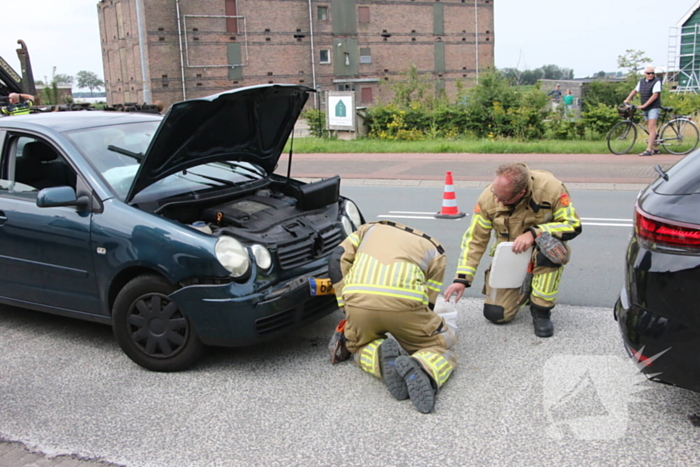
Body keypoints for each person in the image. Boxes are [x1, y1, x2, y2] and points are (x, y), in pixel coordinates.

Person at [329, 220, 457, 414]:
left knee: (359, 345)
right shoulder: (435, 248)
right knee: (440, 346)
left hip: (358, 300)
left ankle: (377, 356)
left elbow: (336, 259)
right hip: (405, 304)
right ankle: (423, 366)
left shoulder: (367, 230)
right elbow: (429, 301)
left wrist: (345, 304)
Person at [444, 163, 582, 338]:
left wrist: (534, 233)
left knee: (549, 254)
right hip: (510, 255)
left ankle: (541, 311)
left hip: (542, 248)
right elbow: (475, 240)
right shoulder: (489, 197)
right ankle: (524, 291)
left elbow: (573, 225)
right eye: (496, 194)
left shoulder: (551, 188)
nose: (498, 200)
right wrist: (462, 279)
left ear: (521, 193)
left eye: (504, 199)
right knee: (496, 314)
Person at [624, 66, 662, 156]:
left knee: (652, 127)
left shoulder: (657, 82)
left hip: (653, 107)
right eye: (649, 73)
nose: (651, 75)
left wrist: (644, 105)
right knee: (649, 127)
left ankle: (649, 149)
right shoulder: (641, 81)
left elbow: (655, 95)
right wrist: (627, 99)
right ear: (645, 74)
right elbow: (635, 90)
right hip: (646, 108)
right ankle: (656, 148)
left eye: (652, 73)